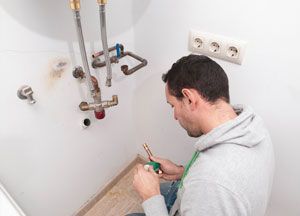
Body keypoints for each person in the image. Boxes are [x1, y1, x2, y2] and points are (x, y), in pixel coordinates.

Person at [127, 54, 274, 216]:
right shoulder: (252, 127)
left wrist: (151, 197)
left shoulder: (209, 184)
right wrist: (182, 172)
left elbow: (210, 185)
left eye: (173, 106)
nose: (175, 116)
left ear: (189, 99)